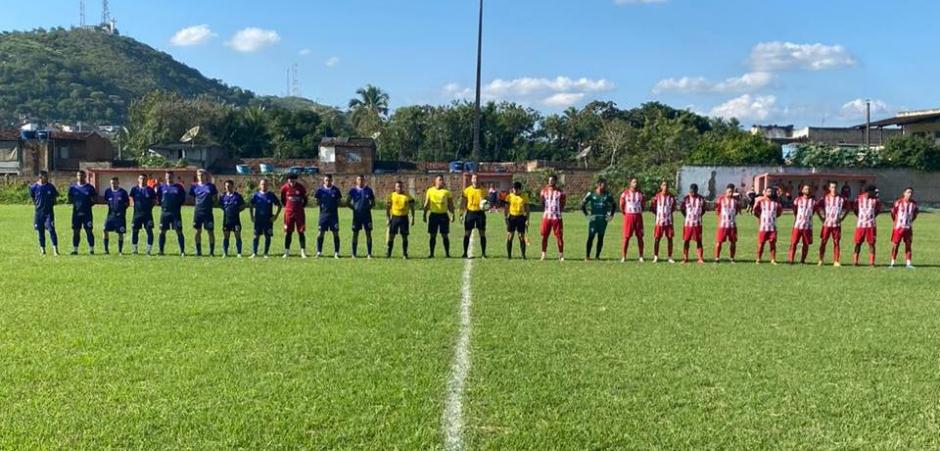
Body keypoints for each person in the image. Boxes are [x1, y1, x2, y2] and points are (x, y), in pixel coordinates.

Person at [581, 178, 615, 261]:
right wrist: (587, 215)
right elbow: (582, 205)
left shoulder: (607, 195)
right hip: (594, 220)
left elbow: (614, 204)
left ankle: (597, 256)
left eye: (606, 185)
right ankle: (587, 256)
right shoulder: (591, 194)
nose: (605, 187)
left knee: (600, 237)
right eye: (604, 185)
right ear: (599, 185)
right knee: (591, 236)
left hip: (603, 220)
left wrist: (611, 215)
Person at [816, 181, 849, 266]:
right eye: (832, 187)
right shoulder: (825, 197)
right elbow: (817, 206)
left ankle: (836, 261)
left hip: (836, 225)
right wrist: (821, 217)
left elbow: (848, 208)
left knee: (836, 242)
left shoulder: (842, 198)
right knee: (823, 241)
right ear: (829, 188)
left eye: (835, 187)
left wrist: (842, 218)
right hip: (827, 224)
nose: (834, 189)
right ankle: (821, 259)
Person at [156, 170, 187, 256]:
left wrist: (177, 205)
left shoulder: (179, 187)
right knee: (162, 231)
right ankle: (161, 251)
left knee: (179, 231)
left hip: (175, 213)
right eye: (167, 176)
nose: (169, 178)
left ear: (173, 177)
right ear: (165, 177)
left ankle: (182, 251)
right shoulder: (161, 187)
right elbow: (159, 199)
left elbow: (182, 199)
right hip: (165, 213)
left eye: (170, 176)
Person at [29, 171, 60, 256]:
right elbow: (32, 196)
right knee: (40, 231)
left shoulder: (50, 186)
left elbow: (55, 196)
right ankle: (43, 250)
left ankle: (55, 250)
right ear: (41, 177)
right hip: (39, 213)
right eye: (45, 176)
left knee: (51, 230)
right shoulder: (34, 187)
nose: (47, 178)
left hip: (48, 212)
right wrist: (36, 204)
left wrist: (53, 202)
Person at [423, 175, 455, 258]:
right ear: (435, 181)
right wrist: (424, 214)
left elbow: (450, 205)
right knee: (432, 235)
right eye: (440, 179)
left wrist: (452, 215)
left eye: (442, 180)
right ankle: (431, 253)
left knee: (445, 235)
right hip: (433, 215)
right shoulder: (430, 191)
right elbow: (427, 203)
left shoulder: (446, 192)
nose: (441, 181)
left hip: (443, 216)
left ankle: (447, 253)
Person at [249, 178, 281, 258]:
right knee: (256, 236)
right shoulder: (256, 195)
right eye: (262, 184)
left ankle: (266, 253)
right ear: (260, 185)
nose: (264, 186)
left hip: (268, 219)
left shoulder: (271, 195)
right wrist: (252, 216)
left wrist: (276, 216)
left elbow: (279, 205)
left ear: (268, 185)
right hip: (258, 219)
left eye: (266, 184)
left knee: (267, 236)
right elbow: (251, 205)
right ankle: (254, 253)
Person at [189, 169, 218, 257]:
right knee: (197, 231)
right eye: (199, 175)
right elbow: (192, 198)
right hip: (198, 212)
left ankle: (211, 252)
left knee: (210, 231)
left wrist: (211, 204)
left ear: (206, 176)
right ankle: (198, 252)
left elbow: (215, 198)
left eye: (202, 175)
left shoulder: (211, 186)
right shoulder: (194, 187)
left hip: (208, 212)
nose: (200, 177)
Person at [68, 170, 97, 255]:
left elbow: (94, 199)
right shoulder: (73, 188)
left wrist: (87, 206)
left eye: (81, 176)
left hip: (87, 214)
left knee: (89, 231)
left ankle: (91, 249)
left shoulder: (90, 188)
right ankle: (75, 250)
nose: (80, 177)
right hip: (76, 214)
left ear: (85, 177)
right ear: (77, 177)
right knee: (76, 231)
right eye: (78, 175)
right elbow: (70, 199)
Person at [280, 173, 309, 258]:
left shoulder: (300, 187)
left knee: (301, 232)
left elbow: (305, 199)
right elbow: (283, 200)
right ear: (288, 180)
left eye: (293, 179)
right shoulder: (284, 188)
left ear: (296, 179)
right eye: (290, 179)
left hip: (299, 213)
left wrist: (300, 207)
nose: (291, 181)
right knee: (288, 232)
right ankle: (286, 252)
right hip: (289, 213)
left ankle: (303, 252)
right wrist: (288, 207)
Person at [889, 187, 919, 269]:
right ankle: (892, 263)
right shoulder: (898, 202)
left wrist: (910, 221)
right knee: (895, 245)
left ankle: (908, 263)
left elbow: (915, 214)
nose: (910, 194)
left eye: (911, 192)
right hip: (898, 228)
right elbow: (893, 212)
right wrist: (896, 221)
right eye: (908, 192)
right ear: (904, 193)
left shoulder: (914, 204)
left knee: (908, 245)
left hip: (908, 228)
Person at [314, 174, 342, 258]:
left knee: (335, 233)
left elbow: (339, 201)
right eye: (326, 180)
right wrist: (323, 207)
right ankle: (319, 252)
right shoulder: (320, 190)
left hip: (333, 216)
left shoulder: (336, 190)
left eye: (329, 180)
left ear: (332, 181)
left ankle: (336, 252)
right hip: (323, 215)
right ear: (324, 180)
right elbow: (317, 201)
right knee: (320, 233)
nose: (328, 182)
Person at [348, 175, 376, 258]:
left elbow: (373, 202)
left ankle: (369, 254)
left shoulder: (369, 190)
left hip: (367, 216)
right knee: (355, 234)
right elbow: (347, 202)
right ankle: (354, 254)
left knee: (368, 233)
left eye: (362, 179)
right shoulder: (353, 191)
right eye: (359, 179)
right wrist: (354, 209)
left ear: (364, 180)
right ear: (356, 181)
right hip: (357, 216)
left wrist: (367, 209)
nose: (361, 181)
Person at [787, 184, 816, 264]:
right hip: (797, 225)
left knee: (806, 244)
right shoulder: (797, 200)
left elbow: (813, 212)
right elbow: (794, 210)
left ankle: (802, 260)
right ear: (802, 190)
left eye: (808, 189)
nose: (807, 190)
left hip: (808, 226)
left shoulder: (813, 202)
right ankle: (791, 260)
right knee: (793, 243)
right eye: (805, 189)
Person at [539, 175, 566, 261]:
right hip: (547, 217)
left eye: (552, 180)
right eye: (549, 180)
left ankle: (561, 255)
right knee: (544, 236)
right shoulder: (543, 191)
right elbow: (542, 202)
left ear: (555, 181)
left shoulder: (560, 192)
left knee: (559, 236)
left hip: (557, 217)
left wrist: (558, 211)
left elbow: (563, 203)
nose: (550, 182)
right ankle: (543, 254)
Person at [852, 185, 880, 267]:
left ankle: (871, 262)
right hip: (861, 225)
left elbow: (877, 210)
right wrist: (860, 217)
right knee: (858, 243)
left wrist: (871, 217)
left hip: (871, 225)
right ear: (869, 192)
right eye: (874, 192)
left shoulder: (876, 200)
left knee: (871, 243)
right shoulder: (859, 199)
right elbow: (855, 209)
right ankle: (855, 261)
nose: (875, 194)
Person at [129, 174, 157, 255]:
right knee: (135, 231)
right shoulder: (134, 189)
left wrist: (149, 208)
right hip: (137, 214)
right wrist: (132, 204)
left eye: (144, 179)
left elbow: (154, 201)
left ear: (147, 180)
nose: (142, 180)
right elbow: (131, 197)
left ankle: (148, 250)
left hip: (147, 214)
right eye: (141, 178)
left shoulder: (150, 190)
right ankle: (134, 250)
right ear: (138, 179)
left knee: (149, 231)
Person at [386, 181, 415, 259]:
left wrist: (412, 217)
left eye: (401, 186)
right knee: (391, 236)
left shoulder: (407, 196)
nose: (399, 188)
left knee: (404, 236)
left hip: (404, 218)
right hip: (394, 218)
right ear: (395, 187)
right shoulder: (391, 195)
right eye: (398, 186)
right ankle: (389, 253)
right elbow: (388, 208)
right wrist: (388, 218)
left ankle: (405, 254)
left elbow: (412, 207)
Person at [461, 174, 487, 259]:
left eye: (477, 178)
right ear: (471, 180)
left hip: (480, 213)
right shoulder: (467, 190)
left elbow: (487, 203)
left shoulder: (483, 190)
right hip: (470, 213)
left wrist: (486, 206)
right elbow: (463, 202)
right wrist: (461, 214)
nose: (476, 180)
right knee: (467, 233)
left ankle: (483, 253)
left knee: (482, 233)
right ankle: (465, 253)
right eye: (474, 178)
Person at [753, 186, 782, 264]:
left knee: (772, 244)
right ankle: (758, 259)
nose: (769, 193)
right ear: (765, 192)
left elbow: (779, 213)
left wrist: (772, 218)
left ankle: (773, 259)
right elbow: (756, 211)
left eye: (771, 191)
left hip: (772, 227)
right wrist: (761, 218)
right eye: (768, 191)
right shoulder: (761, 201)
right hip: (763, 227)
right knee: (761, 243)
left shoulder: (776, 203)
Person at [649, 180, 676, 264]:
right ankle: (656, 256)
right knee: (657, 239)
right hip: (659, 221)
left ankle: (670, 257)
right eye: (664, 185)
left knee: (670, 239)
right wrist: (658, 214)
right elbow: (652, 207)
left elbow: (673, 208)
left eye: (666, 185)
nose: (665, 187)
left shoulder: (671, 197)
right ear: (661, 187)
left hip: (668, 221)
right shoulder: (657, 197)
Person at [619, 178, 645, 263]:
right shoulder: (625, 193)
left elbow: (643, 205)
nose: (635, 183)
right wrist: (625, 213)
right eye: (634, 182)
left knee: (640, 236)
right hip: (629, 216)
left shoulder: (640, 194)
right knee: (626, 237)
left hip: (638, 216)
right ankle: (624, 256)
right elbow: (621, 205)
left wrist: (639, 211)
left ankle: (641, 256)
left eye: (636, 182)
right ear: (630, 183)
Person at [679, 183, 706, 264]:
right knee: (686, 240)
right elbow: (682, 209)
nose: (692, 193)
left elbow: (703, 210)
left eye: (694, 192)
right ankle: (685, 258)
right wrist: (687, 216)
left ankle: (700, 258)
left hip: (697, 223)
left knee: (699, 240)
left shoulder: (701, 199)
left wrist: (698, 216)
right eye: (691, 191)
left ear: (697, 191)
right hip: (688, 223)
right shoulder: (686, 199)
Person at [102, 177, 129, 255]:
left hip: (120, 216)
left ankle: (120, 251)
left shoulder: (123, 192)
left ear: (118, 183)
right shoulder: (108, 191)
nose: (113, 184)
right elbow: (106, 201)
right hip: (110, 215)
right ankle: (106, 250)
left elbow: (127, 203)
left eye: (115, 183)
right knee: (104, 230)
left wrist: (121, 210)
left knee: (120, 233)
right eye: (112, 183)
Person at [714, 184, 740, 263]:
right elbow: (717, 211)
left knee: (733, 242)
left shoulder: (735, 201)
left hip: (732, 225)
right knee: (719, 241)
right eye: (729, 191)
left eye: (732, 191)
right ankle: (717, 258)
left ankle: (732, 258)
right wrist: (722, 218)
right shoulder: (721, 199)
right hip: (722, 225)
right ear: (726, 191)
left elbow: (736, 211)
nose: (731, 193)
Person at [219, 180, 246, 257]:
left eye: (229, 186)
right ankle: (225, 253)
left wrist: (237, 211)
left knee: (237, 236)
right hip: (226, 220)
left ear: (232, 186)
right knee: (226, 236)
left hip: (236, 220)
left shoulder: (237, 196)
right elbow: (220, 206)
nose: (227, 187)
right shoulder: (223, 197)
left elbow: (243, 206)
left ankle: (239, 253)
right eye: (226, 186)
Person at [504, 181, 529, 259]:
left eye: (516, 189)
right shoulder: (509, 196)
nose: (514, 190)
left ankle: (523, 255)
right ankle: (509, 255)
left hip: (521, 218)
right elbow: (506, 208)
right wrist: (506, 217)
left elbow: (527, 209)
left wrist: (527, 220)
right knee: (510, 236)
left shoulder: (524, 197)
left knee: (521, 236)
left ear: (519, 189)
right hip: (512, 218)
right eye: (513, 189)